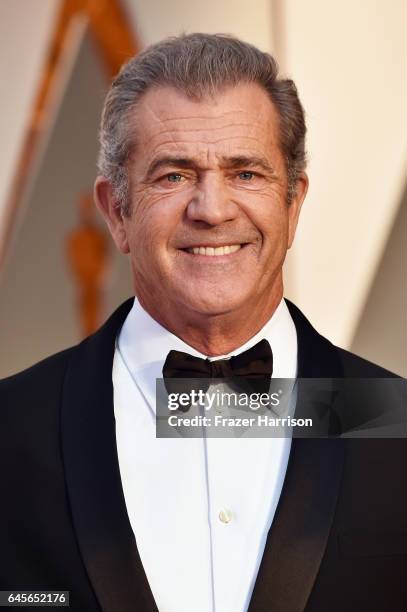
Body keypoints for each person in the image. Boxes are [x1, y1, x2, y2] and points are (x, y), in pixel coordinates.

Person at [0, 33, 406, 612]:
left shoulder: (393, 424)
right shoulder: (12, 429)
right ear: (117, 210)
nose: (212, 209)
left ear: (293, 205)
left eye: (246, 174)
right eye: (173, 176)